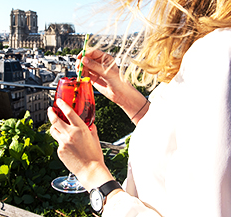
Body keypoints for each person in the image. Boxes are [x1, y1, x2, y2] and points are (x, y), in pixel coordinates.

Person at [47, 0, 231, 216]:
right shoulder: (216, 47)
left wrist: (94, 175)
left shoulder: (219, 52)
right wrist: (130, 101)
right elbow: (189, 143)